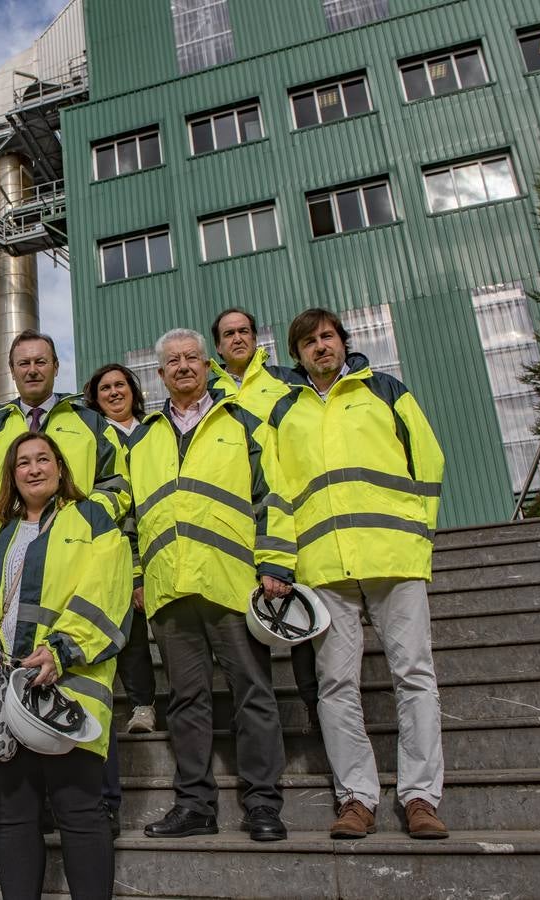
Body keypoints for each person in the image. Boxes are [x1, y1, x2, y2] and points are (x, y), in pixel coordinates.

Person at [267, 308, 448, 840]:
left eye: (327, 337)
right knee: (335, 684)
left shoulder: (386, 390)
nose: (319, 347)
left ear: (343, 343)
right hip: (324, 565)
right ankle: (356, 798)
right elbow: (278, 493)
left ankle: (420, 796)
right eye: (308, 342)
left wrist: (421, 532)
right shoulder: (286, 412)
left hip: (393, 554)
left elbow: (429, 461)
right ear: (297, 354)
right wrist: (281, 558)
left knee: (414, 673)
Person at [0, 432, 132, 900]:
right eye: (22, 463)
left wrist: (63, 648)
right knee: (12, 817)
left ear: (61, 467)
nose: (33, 469)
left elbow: (108, 590)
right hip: (4, 692)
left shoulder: (91, 518)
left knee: (80, 812)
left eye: (42, 459)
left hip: (69, 687)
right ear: (10, 476)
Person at [130, 328, 295, 843]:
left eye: (191, 359)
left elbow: (273, 496)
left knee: (254, 693)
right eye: (172, 361)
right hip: (170, 588)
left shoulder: (241, 423)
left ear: (207, 366)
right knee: (186, 700)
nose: (182, 367)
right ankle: (195, 805)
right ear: (160, 375)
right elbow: (133, 516)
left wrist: (275, 565)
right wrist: (138, 575)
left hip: (230, 582)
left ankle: (264, 804)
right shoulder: (143, 438)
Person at [207, 308, 320, 730]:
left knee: (299, 612)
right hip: (232, 521)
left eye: (244, 332)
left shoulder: (286, 382)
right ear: (217, 346)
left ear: (256, 338)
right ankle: (254, 718)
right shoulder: (207, 390)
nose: (237, 339)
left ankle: (312, 706)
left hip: (290, 510)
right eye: (228, 334)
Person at [82, 362, 155, 838]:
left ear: (134, 391)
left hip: (164, 533)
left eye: (120, 385)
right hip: (120, 540)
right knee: (127, 627)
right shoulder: (93, 436)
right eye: (105, 388)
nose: (113, 392)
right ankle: (144, 703)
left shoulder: (155, 431)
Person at [0, 330, 130, 536]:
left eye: (40, 362)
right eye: (24, 363)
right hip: (9, 554)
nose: (32, 370)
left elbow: (116, 484)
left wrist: (84, 521)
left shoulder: (90, 423)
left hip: (77, 548)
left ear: (56, 367)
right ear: (12, 371)